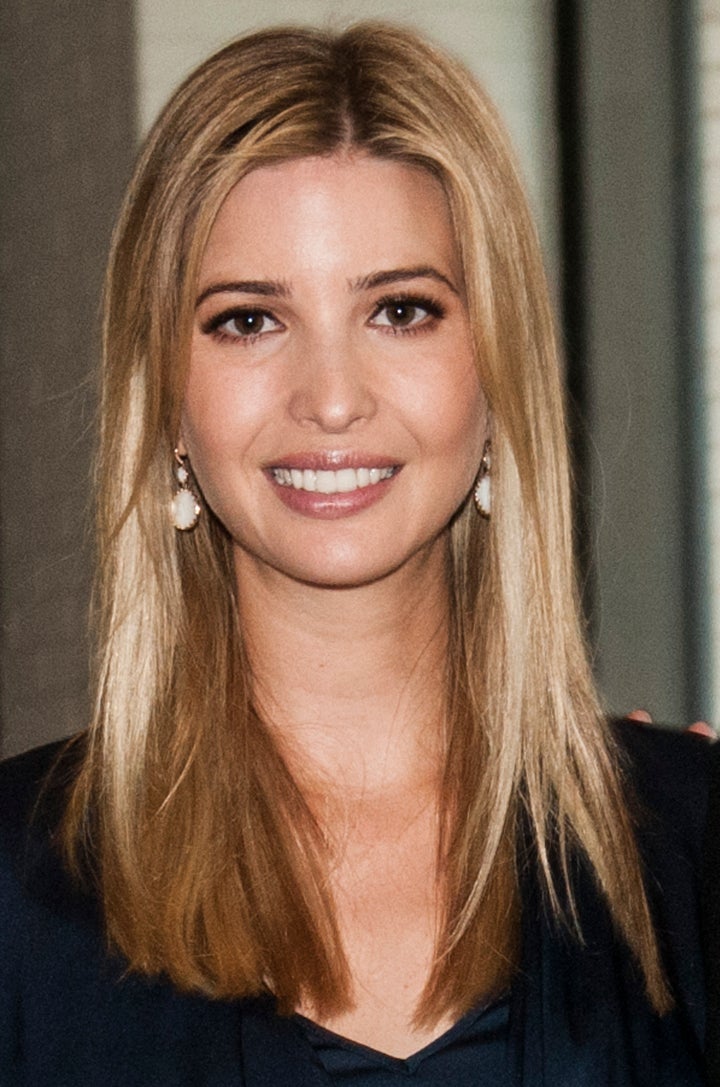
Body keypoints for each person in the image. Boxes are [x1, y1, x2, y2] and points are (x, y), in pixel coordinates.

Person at [0, 22, 711, 1085]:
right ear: (166, 406)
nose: (331, 397)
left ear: (497, 368)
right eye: (247, 321)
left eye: (401, 309)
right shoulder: (16, 885)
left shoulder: (689, 844)